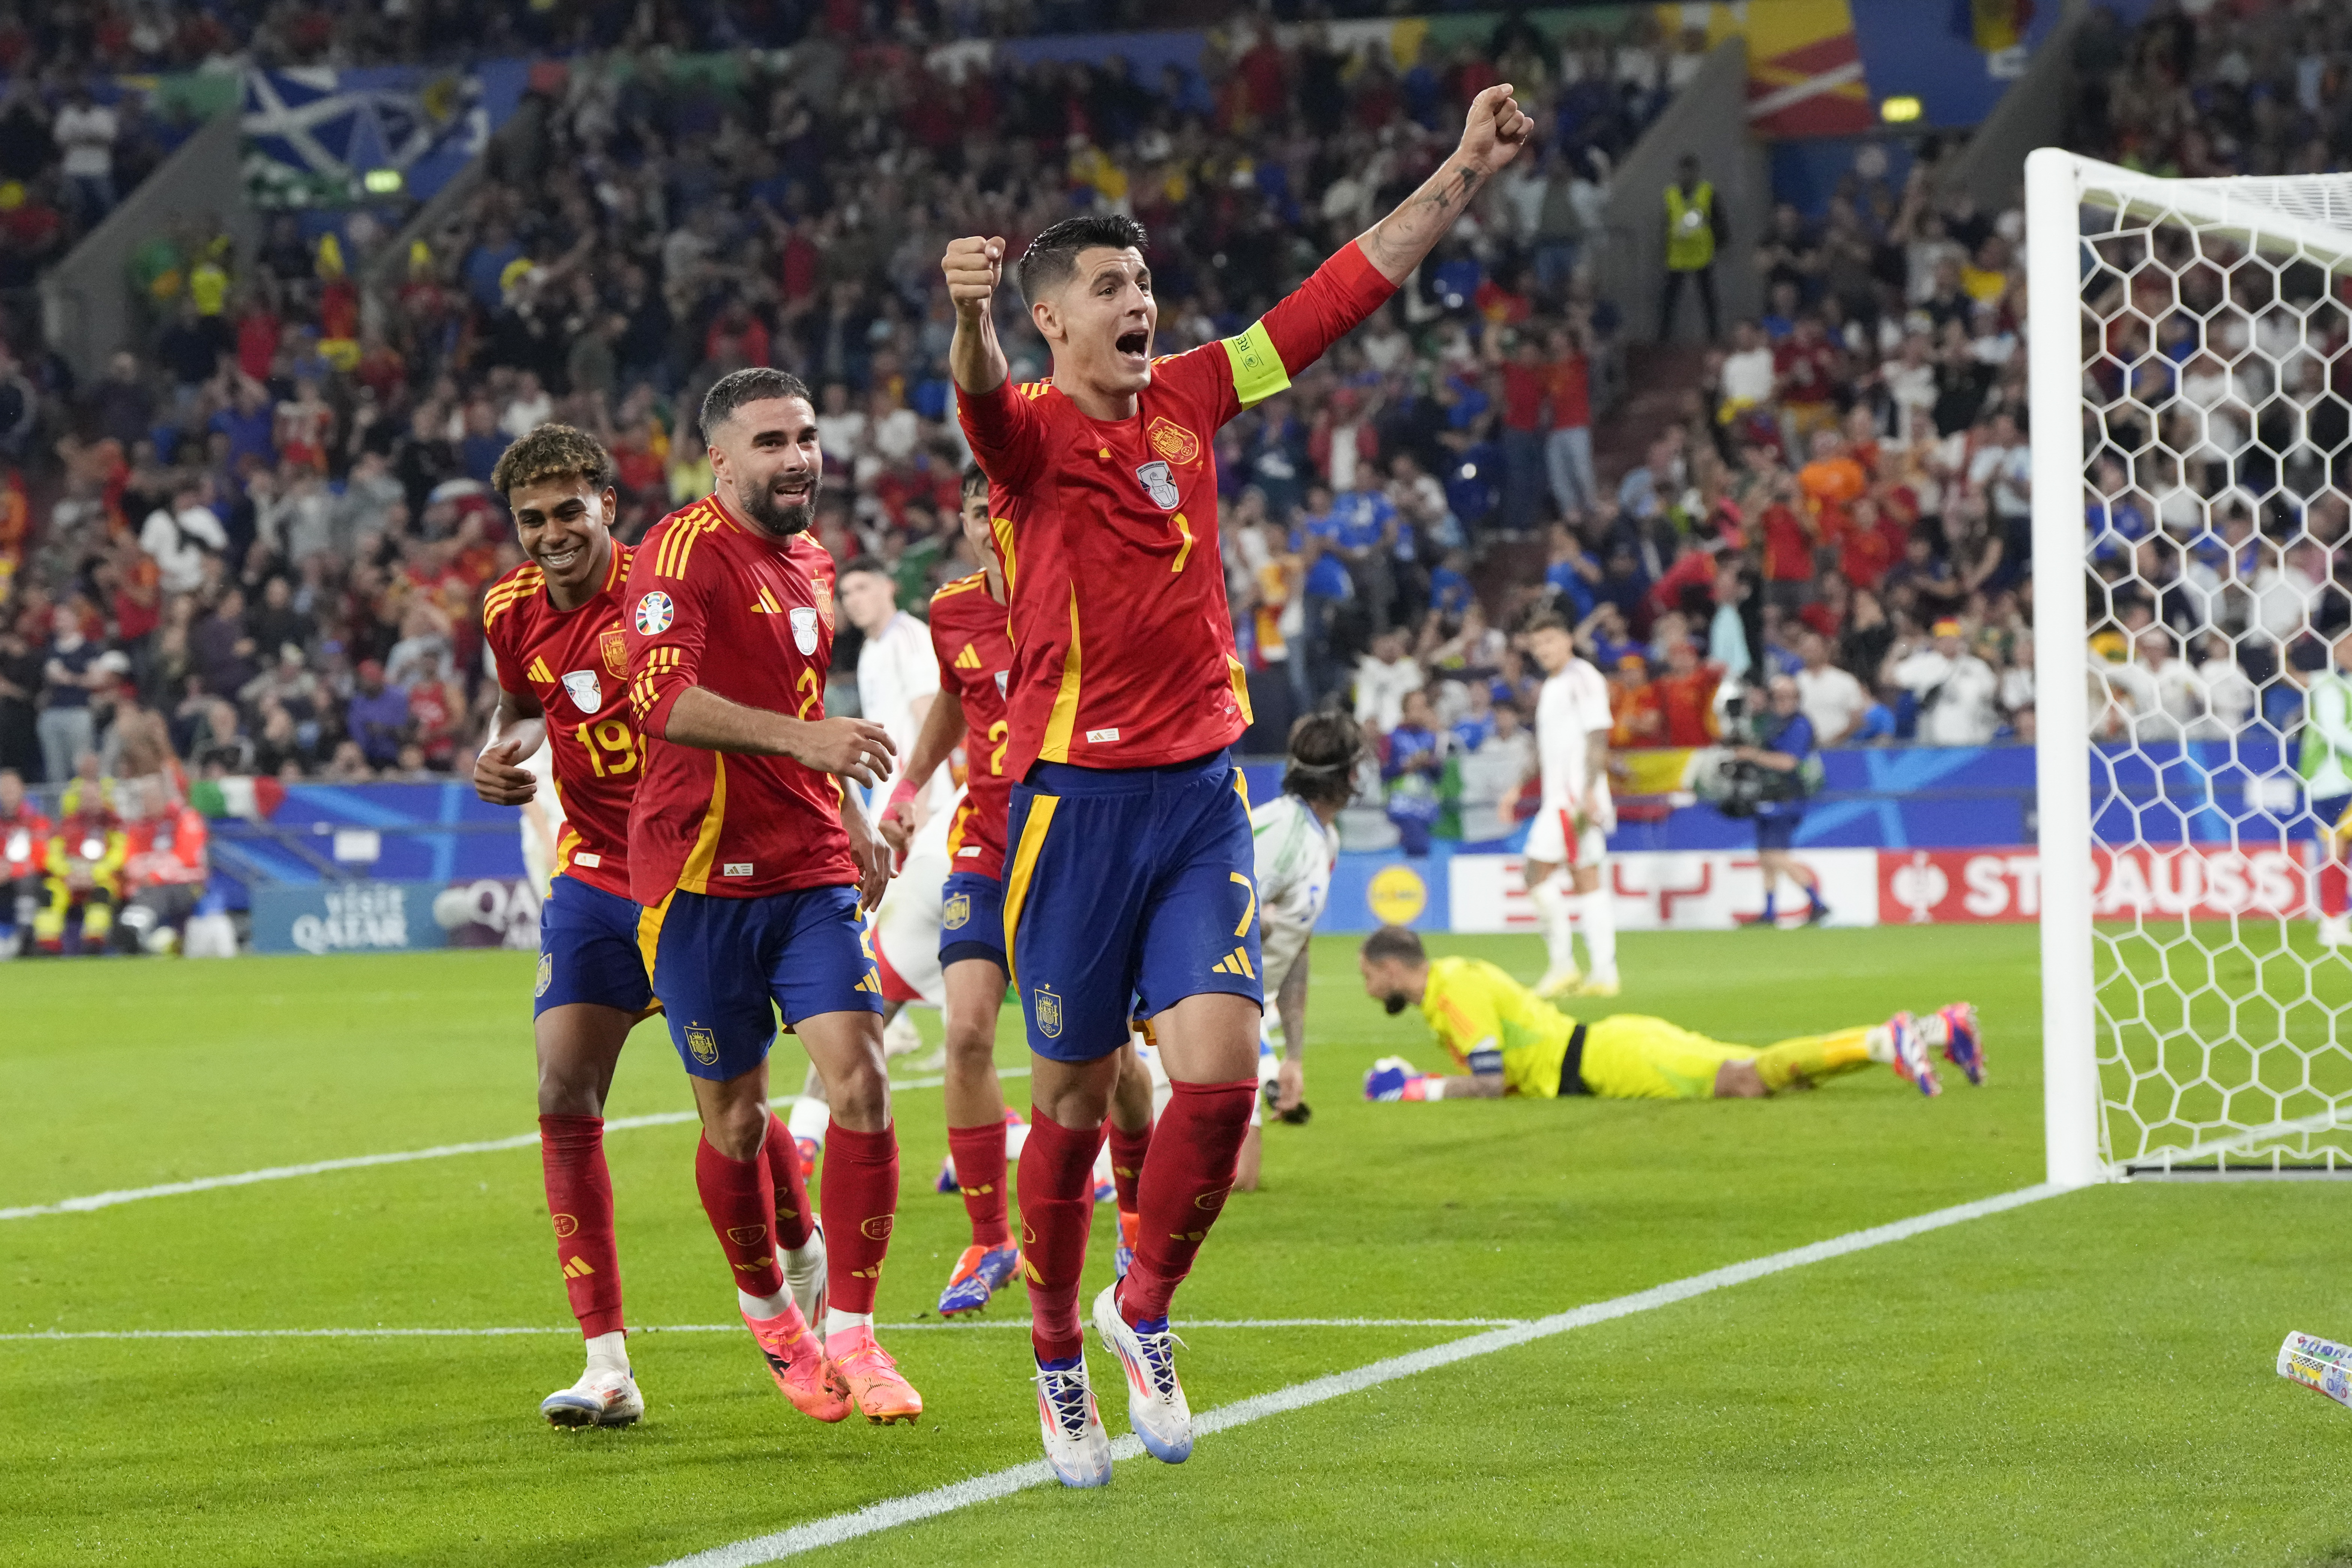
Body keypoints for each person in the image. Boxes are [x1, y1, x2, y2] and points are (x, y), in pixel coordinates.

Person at [944, 81, 1534, 1487]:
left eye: (1143, 283)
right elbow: (975, 398)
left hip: (1200, 793)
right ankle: (1054, 1357)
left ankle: (1140, 1311)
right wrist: (964, 318)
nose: (1137, 304)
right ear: (1052, 322)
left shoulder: (1196, 393)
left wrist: (1464, 166)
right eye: (1108, 289)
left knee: (1218, 1076)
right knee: (1070, 1104)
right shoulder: (1025, 433)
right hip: (1073, 810)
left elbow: (1342, 293)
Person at [620, 367, 919, 1426]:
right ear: (719, 458)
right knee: (737, 1122)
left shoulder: (813, 561)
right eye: (771, 442)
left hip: (805, 869)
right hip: (697, 878)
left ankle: (856, 1334)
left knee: (861, 1081)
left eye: (806, 437)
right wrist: (809, 743)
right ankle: (771, 1315)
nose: (798, 459)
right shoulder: (676, 555)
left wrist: (848, 813)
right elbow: (659, 699)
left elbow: (800, 704)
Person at [471, 425, 675, 1428]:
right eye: (531, 519)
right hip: (592, 870)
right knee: (562, 1088)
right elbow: (518, 706)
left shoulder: (662, 596)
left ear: (606, 505)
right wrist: (498, 753)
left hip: (692, 870)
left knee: (730, 1105)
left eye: (568, 511)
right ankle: (605, 1366)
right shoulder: (507, 609)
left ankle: (798, 1275)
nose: (551, 532)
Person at [874, 465, 1027, 1318]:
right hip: (984, 845)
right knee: (966, 1034)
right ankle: (989, 1238)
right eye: (977, 510)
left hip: (1071, 851)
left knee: (1103, 1057)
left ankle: (1132, 1219)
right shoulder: (953, 610)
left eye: (1003, 505)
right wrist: (908, 787)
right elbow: (953, 698)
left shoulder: (1077, 594)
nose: (990, 523)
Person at [1356, 925, 1981, 1103]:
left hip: (1605, 1061)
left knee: (1746, 1080)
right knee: (1766, 1072)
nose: (1366, 989)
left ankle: (1887, 1040)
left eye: (1367, 976)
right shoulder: (1453, 981)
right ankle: (1934, 1031)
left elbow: (1491, 1084)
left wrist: (1415, 1090)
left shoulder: (1453, 991)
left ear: (1390, 968)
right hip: (1607, 1046)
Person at [1505, 610, 1618, 998]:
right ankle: (1604, 973)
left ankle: (1563, 966)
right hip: (1564, 795)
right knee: (1586, 877)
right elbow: (1546, 747)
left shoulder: (1582, 678)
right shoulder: (1553, 685)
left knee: (1535, 873)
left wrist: (1589, 790)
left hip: (1572, 797)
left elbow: (1598, 736)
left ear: (1568, 640)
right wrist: (1518, 788)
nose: (1543, 650)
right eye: (1537, 644)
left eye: (1550, 640)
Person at [838, 553, 945, 821]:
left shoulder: (909, 637)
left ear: (888, 587)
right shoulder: (870, 649)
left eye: (862, 588)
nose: (853, 600)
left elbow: (928, 721)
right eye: (846, 593)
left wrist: (919, 802)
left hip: (917, 799)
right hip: (889, 793)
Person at [1734, 674, 1828, 927]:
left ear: (1797, 698)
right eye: (1777, 697)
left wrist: (1753, 756)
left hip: (1787, 797)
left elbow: (1788, 763)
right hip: (1767, 795)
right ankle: (1769, 912)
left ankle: (1818, 903)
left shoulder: (1798, 725)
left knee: (1775, 855)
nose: (1782, 701)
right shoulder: (1772, 722)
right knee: (1766, 857)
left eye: (1788, 696)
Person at [2297, 626, 2352, 948]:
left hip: (2340, 781)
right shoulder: (2328, 685)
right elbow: (2334, 733)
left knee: (2339, 850)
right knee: (2337, 850)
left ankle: (2334, 921)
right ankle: (2332, 922)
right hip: (2333, 781)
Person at [115, 777, 208, 955]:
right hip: (147, 886)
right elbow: (130, 860)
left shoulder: (185, 818)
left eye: (151, 798)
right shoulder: (139, 826)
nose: (146, 803)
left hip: (187, 885)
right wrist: (146, 874)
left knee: (158, 892)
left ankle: (135, 928)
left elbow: (186, 857)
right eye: (143, 799)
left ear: (165, 797)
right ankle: (136, 934)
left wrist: (155, 875)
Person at [33, 774, 125, 955]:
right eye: (86, 798)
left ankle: (94, 942)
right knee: (50, 894)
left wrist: (95, 874)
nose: (90, 802)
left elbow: (119, 854)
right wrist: (67, 874)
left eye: (94, 798)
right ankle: (48, 943)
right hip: (68, 878)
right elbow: (52, 855)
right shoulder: (66, 825)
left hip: (100, 878)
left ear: (103, 799)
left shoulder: (114, 825)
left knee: (102, 894)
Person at [1890, 617, 2002, 745]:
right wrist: (1895, 653)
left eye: (1953, 639)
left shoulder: (1975, 666)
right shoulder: (1924, 663)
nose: (1949, 644)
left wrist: (1997, 663)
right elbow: (1889, 678)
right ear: (1936, 642)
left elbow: (1995, 690)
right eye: (1944, 640)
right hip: (1936, 742)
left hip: (1974, 740)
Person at [1658, 152, 1725, 343]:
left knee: (1708, 297)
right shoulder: (1671, 194)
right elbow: (1667, 223)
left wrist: (1718, 244)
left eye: (1689, 172)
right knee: (1670, 298)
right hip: (1678, 254)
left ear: (1696, 173)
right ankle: (1663, 337)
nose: (1685, 176)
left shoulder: (1708, 192)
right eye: (1682, 172)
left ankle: (1714, 336)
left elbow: (1719, 221)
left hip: (1702, 253)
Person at [0, 766, 51, 956]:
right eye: (4, 789)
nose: (8, 794)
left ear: (23, 790)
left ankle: (25, 938)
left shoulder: (37, 821)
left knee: (28, 883)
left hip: (27, 878)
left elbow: (40, 859)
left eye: (12, 788)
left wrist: (10, 870)